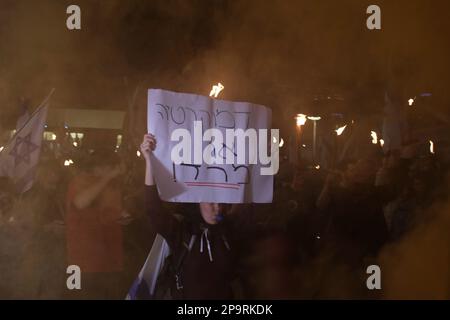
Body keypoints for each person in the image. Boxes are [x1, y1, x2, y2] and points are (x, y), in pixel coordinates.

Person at [140, 133, 241, 300]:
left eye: (222, 203)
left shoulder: (230, 232)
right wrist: (149, 160)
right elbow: (153, 209)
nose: (218, 208)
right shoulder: (184, 232)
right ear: (198, 200)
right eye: (212, 202)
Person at [65, 148, 126, 299]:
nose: (115, 171)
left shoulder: (111, 185)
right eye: (112, 168)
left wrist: (123, 215)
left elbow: (108, 213)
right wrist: (106, 178)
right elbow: (80, 202)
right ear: (99, 167)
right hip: (81, 261)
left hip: (109, 260)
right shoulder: (80, 181)